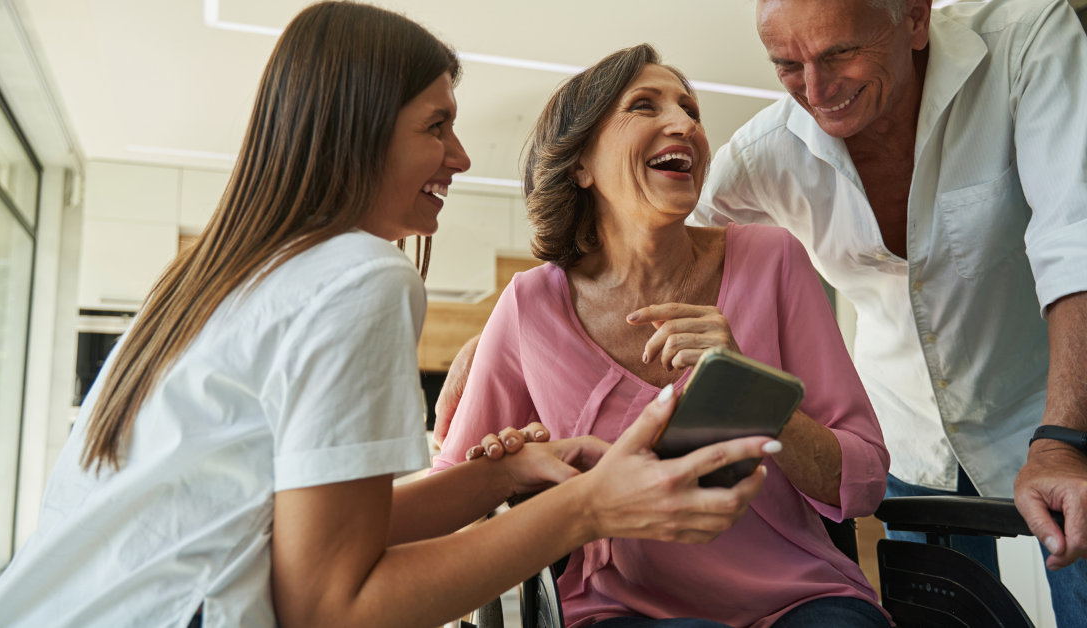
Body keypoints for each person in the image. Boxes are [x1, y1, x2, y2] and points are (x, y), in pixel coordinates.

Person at [0, 4, 779, 628]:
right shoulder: (360, 275)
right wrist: (592, 506)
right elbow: (334, 605)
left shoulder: (208, 281)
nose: (463, 158)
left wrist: (499, 475)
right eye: (438, 127)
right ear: (355, 132)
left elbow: (313, 529)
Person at [438, 0, 1087, 620]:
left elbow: (1075, 243)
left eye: (840, 52)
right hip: (914, 434)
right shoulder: (767, 152)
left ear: (915, 17)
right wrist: (506, 326)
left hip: (1059, 409)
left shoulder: (1025, 42)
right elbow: (648, 233)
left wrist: (1063, 437)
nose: (815, 88)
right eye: (786, 64)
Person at [433, 45, 891, 628]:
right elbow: (450, 491)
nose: (685, 125)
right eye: (643, 106)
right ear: (580, 164)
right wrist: (493, 463)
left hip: (796, 596)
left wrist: (748, 386)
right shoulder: (529, 305)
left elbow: (864, 478)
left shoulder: (771, 259)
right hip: (616, 606)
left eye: (691, 111)